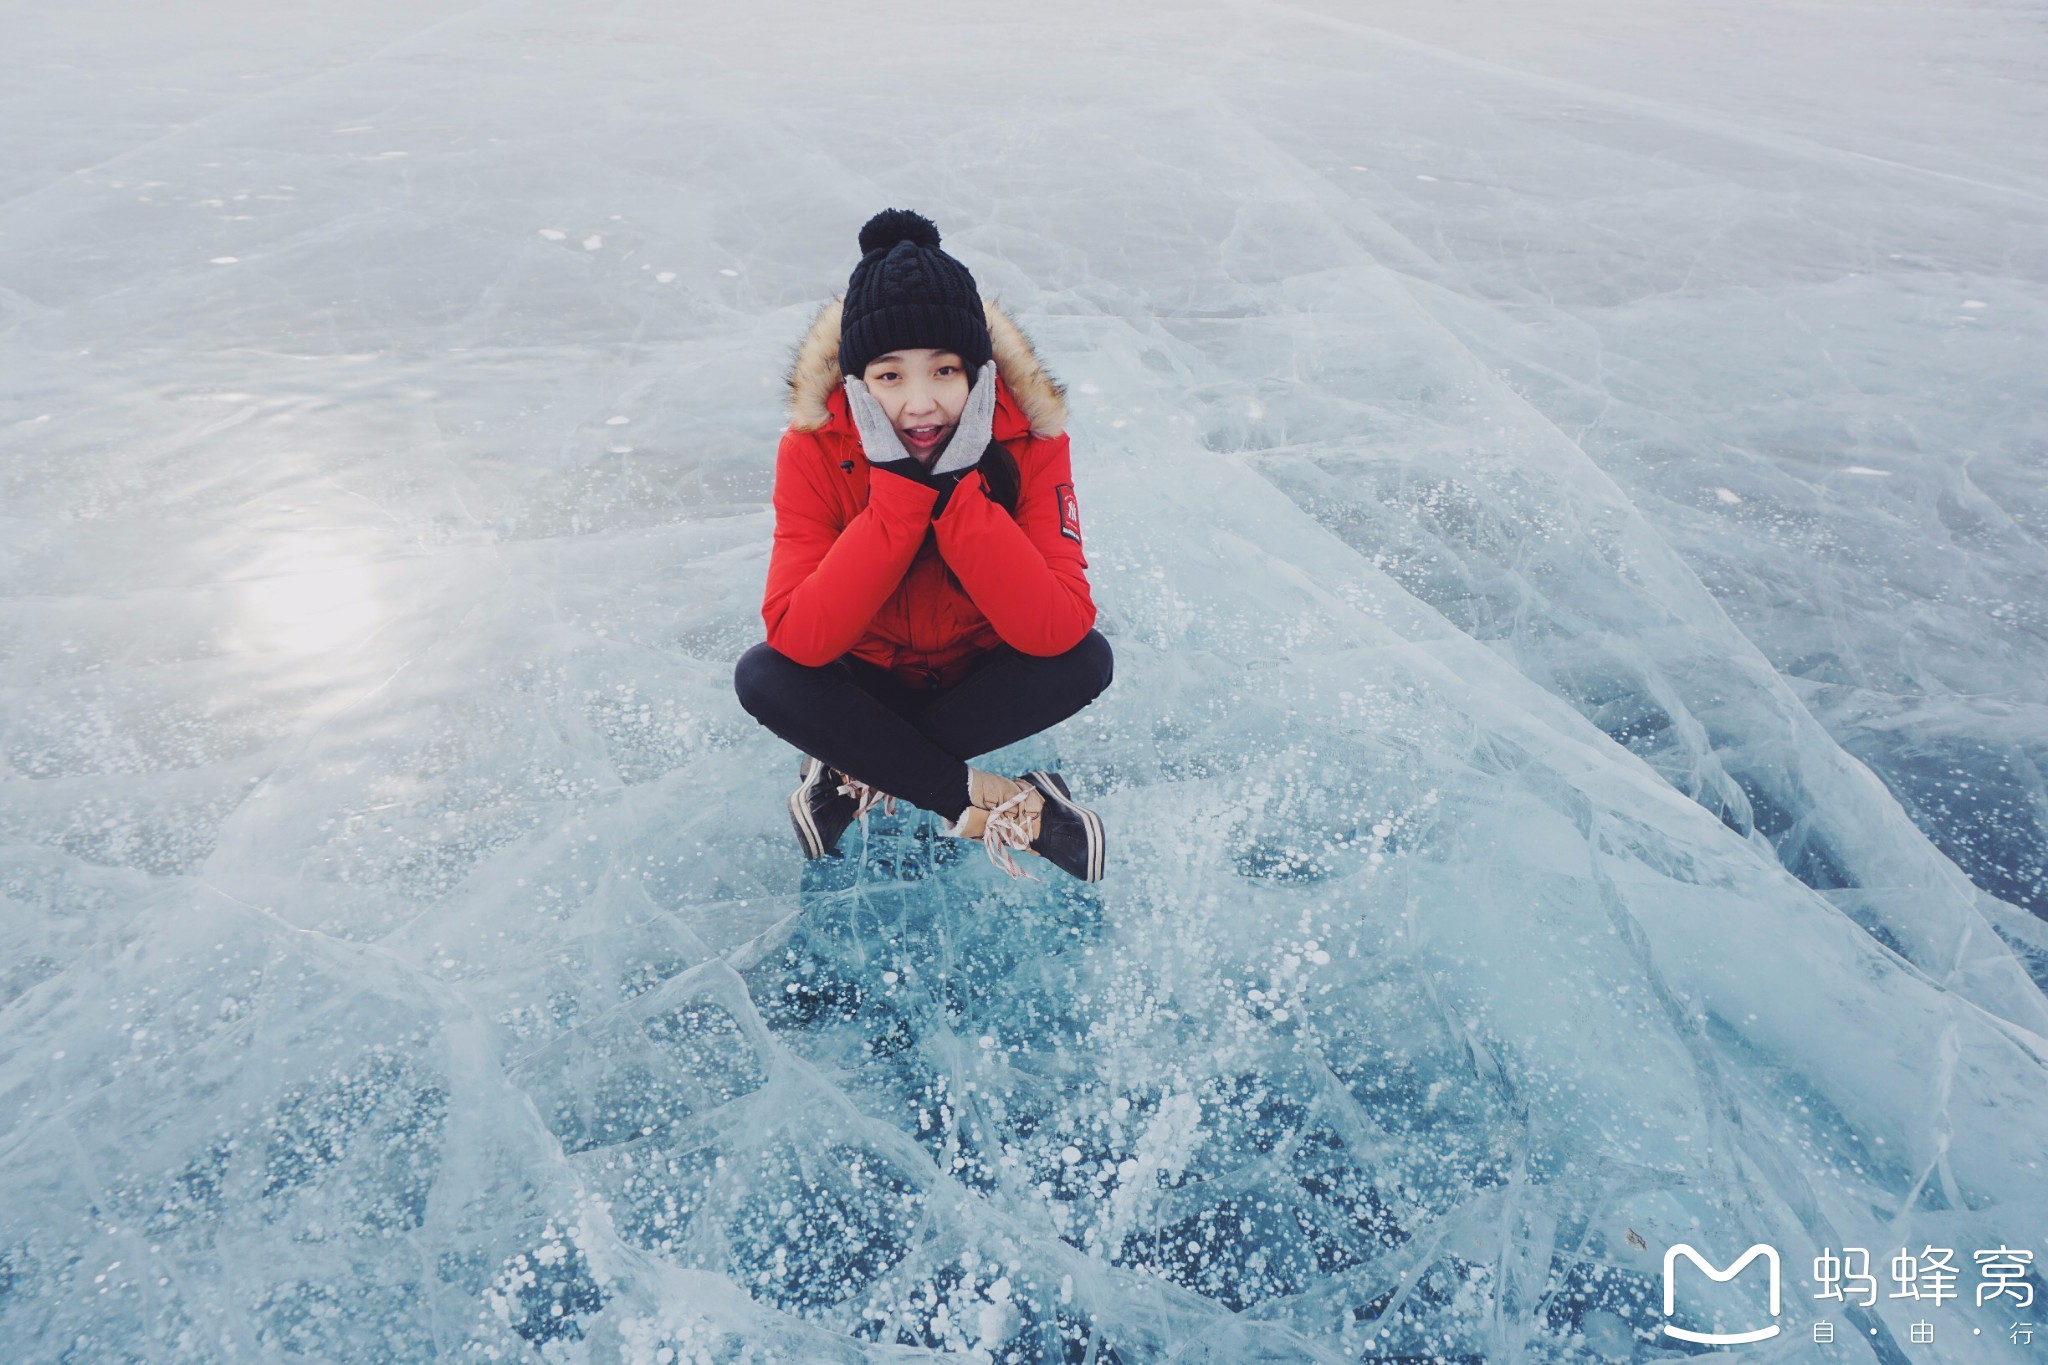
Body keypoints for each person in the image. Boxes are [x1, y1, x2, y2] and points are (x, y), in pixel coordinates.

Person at [733, 209, 1113, 883]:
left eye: (944, 371)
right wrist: (900, 500)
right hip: (869, 677)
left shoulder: (1033, 440)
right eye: (889, 376)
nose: (920, 405)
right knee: (766, 675)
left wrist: (957, 489)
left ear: (981, 374)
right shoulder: (814, 448)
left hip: (974, 674)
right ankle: (1010, 805)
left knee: (1086, 659)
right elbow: (798, 638)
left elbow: (1055, 630)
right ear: (855, 383)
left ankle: (849, 772)